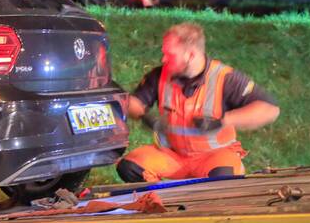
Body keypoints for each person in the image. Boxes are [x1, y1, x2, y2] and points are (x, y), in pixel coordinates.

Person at [118, 22, 280, 183]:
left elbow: (269, 109)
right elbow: (134, 103)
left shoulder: (225, 78)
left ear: (191, 55)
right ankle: (161, 201)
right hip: (173, 156)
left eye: (170, 54)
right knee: (129, 167)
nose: (164, 58)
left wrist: (223, 121)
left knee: (223, 181)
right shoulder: (159, 75)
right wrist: (143, 114)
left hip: (214, 156)